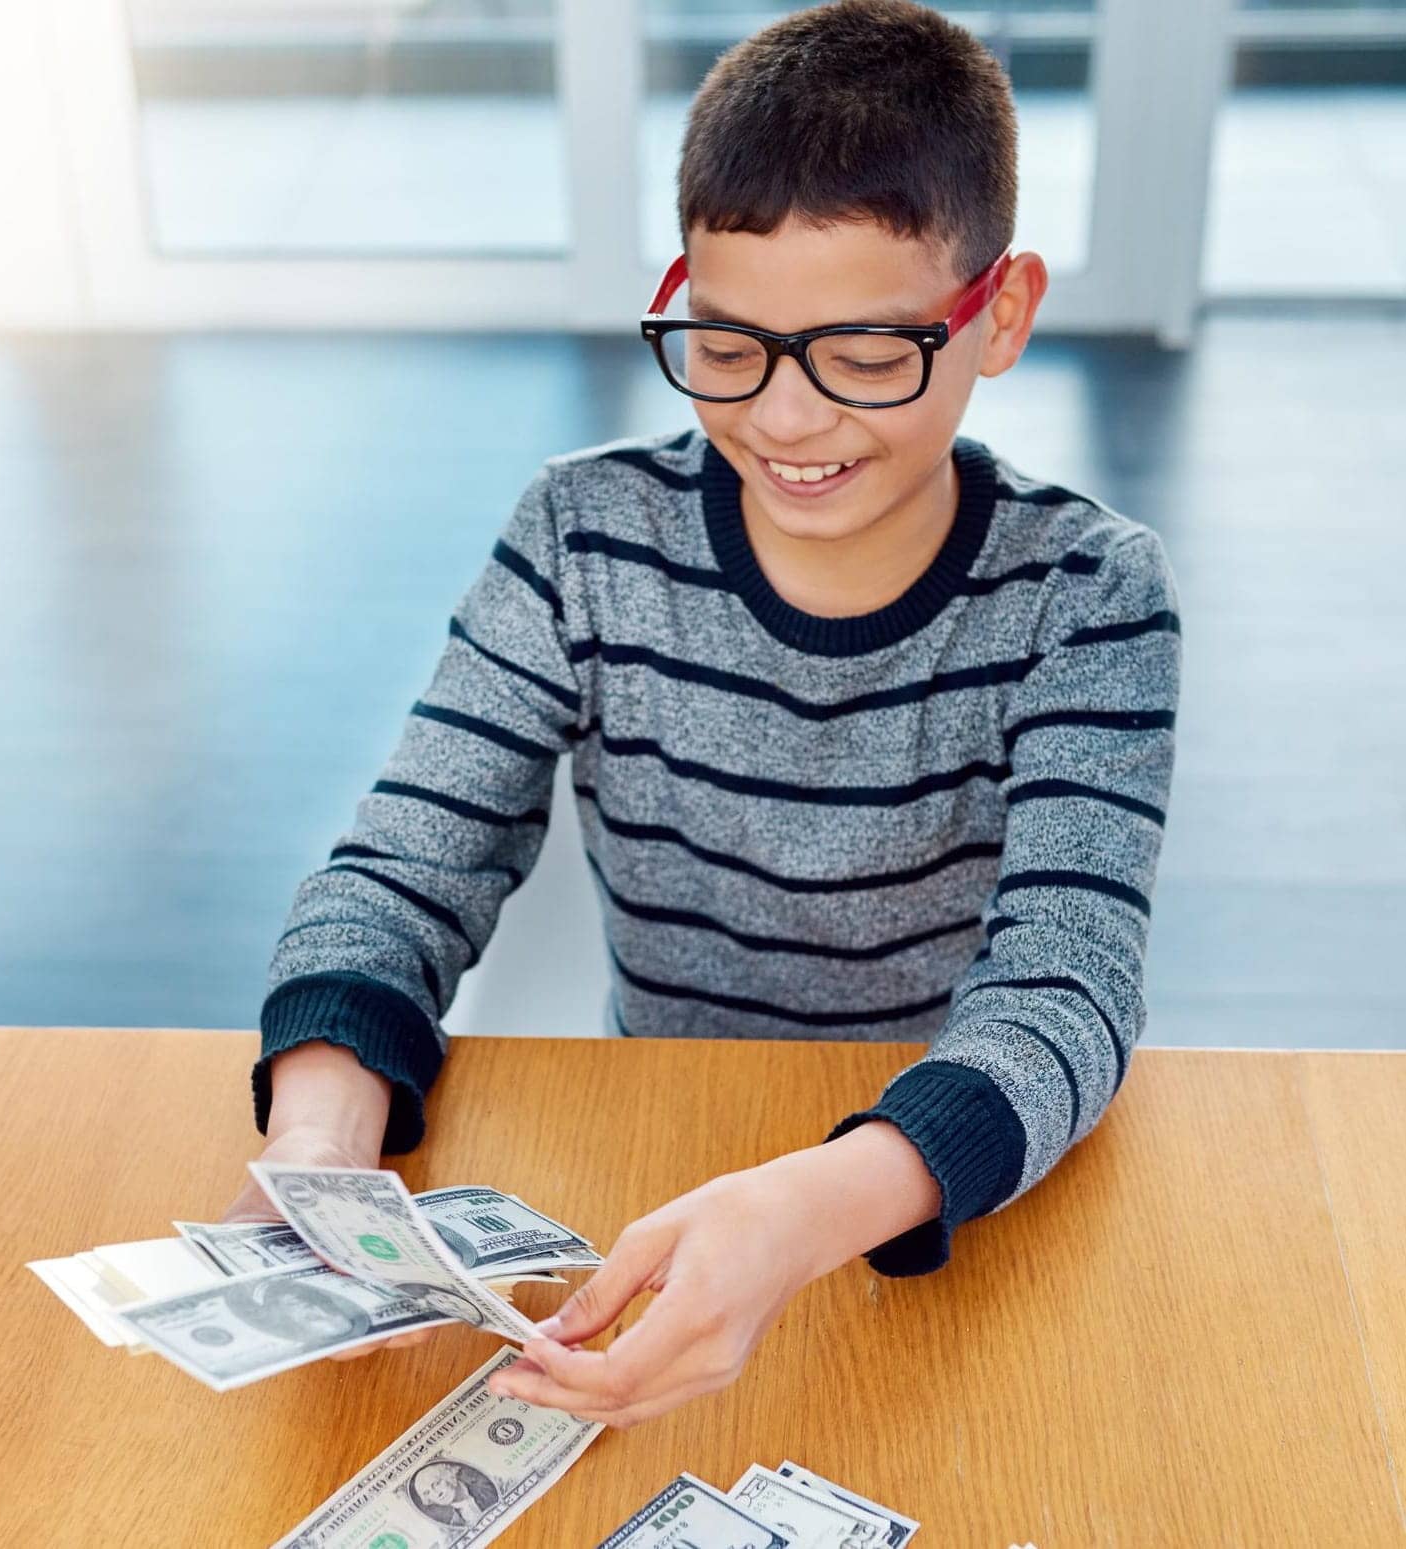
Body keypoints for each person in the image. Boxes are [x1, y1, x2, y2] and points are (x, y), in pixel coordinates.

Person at [223, 0, 1180, 1428]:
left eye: (868, 354)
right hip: (665, 1146)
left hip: (945, 1181)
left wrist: (808, 1209)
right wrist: (318, 1134)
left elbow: (1069, 983)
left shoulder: (1087, 593)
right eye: (728, 345)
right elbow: (404, 867)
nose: (785, 420)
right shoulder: (582, 534)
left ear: (1001, 314)